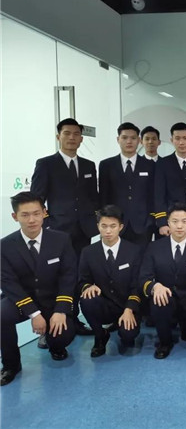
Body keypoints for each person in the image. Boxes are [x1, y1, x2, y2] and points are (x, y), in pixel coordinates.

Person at [1, 192, 77, 386]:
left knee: (64, 334)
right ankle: (11, 365)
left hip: (53, 300)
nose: (32, 220)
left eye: (36, 213)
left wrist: (61, 310)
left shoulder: (61, 239)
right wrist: (34, 313)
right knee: (1, 315)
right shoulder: (5, 246)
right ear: (15, 217)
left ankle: (55, 346)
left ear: (45, 212)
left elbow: (68, 276)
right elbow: (8, 282)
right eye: (25, 215)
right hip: (23, 300)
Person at [31, 117, 97, 335]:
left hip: (84, 231)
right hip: (57, 231)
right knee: (54, 277)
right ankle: (49, 325)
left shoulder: (88, 165)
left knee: (77, 274)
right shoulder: (46, 164)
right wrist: (47, 225)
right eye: (67, 133)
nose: (72, 138)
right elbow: (37, 199)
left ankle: (73, 319)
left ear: (81, 139)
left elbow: (93, 198)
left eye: (76, 134)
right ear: (58, 136)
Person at [140, 203, 186, 359]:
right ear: (168, 222)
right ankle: (164, 342)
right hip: (165, 299)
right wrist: (155, 286)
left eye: (184, 221)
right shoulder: (154, 247)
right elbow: (144, 278)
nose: (179, 226)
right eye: (175, 221)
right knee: (159, 301)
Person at [78, 205, 143, 357]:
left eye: (113, 226)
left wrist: (129, 309)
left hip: (127, 305)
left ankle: (123, 327)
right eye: (104, 226)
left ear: (121, 227)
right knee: (87, 299)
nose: (108, 231)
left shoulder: (134, 251)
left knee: (128, 337)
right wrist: (87, 287)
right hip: (104, 305)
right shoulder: (88, 252)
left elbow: (137, 285)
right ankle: (100, 335)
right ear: (98, 226)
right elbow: (81, 280)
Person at [99, 122, 155, 248]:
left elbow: (153, 194)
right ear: (118, 139)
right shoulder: (107, 165)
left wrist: (151, 219)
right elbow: (103, 196)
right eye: (124, 138)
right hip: (115, 224)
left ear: (139, 140)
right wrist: (105, 223)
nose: (129, 141)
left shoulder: (150, 165)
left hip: (142, 224)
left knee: (142, 258)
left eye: (133, 138)